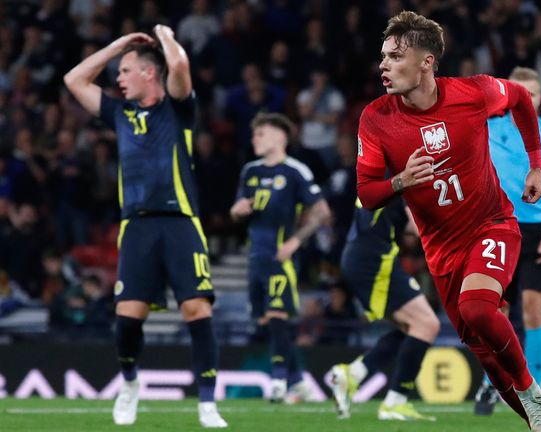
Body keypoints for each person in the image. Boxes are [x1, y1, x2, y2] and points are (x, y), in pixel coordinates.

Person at [356, 11, 541, 432]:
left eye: (395, 56)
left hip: (493, 224)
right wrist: (400, 180)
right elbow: (366, 193)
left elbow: (521, 98)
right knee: (484, 351)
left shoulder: (474, 93)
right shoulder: (376, 118)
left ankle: (532, 391)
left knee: (478, 307)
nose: (384, 65)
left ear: (427, 62)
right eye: (383, 57)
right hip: (442, 251)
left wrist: (536, 166)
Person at [63, 26, 227, 428]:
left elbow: (180, 64)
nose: (118, 77)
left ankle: (207, 403)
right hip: (135, 226)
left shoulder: (178, 108)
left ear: (149, 74)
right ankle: (130, 382)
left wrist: (163, 36)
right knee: (127, 319)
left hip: (181, 223)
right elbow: (73, 79)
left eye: (125, 69)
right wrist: (119, 46)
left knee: (196, 308)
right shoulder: (119, 113)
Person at [475, 66, 541, 415]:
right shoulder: (487, 127)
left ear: (540, 98)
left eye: (531, 94)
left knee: (535, 313)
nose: (525, 99)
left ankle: (534, 398)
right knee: (494, 313)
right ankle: (493, 387)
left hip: (538, 232)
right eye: (519, 92)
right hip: (495, 226)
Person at [230, 113, 331, 403]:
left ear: (279, 137)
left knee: (277, 318)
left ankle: (278, 383)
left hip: (280, 258)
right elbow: (236, 211)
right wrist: (237, 210)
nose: (254, 139)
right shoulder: (250, 171)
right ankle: (299, 381)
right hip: (255, 258)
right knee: (268, 324)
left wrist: (296, 241)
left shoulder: (294, 171)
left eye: (260, 134)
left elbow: (322, 212)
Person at [328, 197, 440, 421]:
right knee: (428, 324)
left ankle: (353, 374)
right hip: (375, 260)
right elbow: (420, 228)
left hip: (361, 255)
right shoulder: (402, 176)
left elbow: (400, 222)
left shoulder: (378, 174)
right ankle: (395, 403)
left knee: (414, 327)